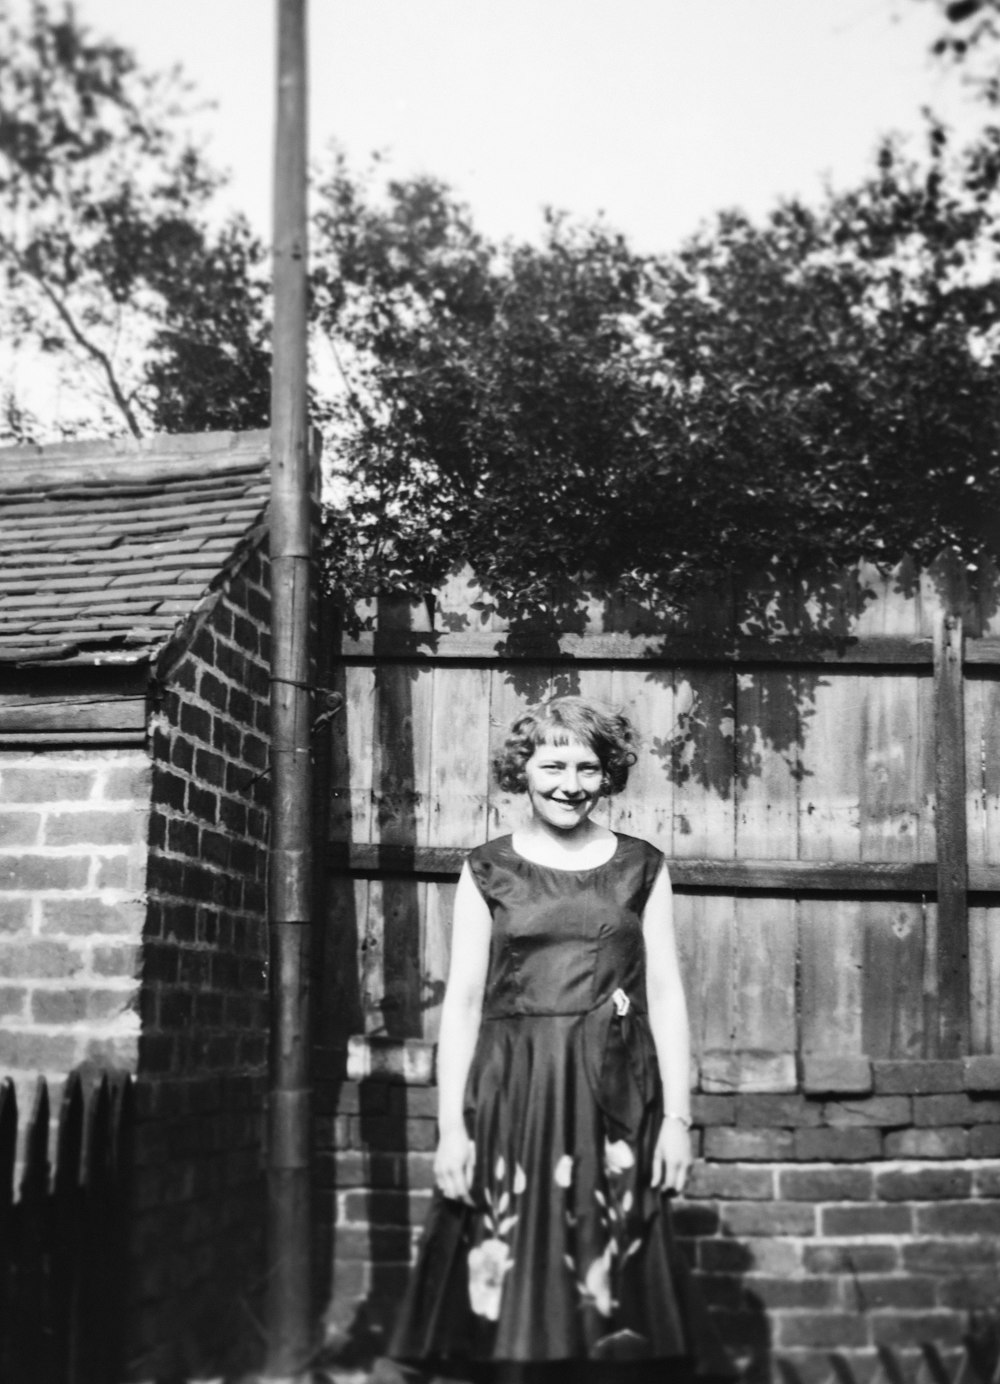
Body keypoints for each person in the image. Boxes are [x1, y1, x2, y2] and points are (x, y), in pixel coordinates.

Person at [382, 696, 734, 1384]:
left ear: (608, 775)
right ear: (525, 768)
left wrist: (681, 1121)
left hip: (616, 1096)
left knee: (612, 1280)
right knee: (505, 1265)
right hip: (514, 1092)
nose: (569, 782)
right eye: (552, 763)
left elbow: (665, 995)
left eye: (587, 766)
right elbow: (460, 1006)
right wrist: (450, 1129)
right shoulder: (488, 869)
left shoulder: (641, 866)